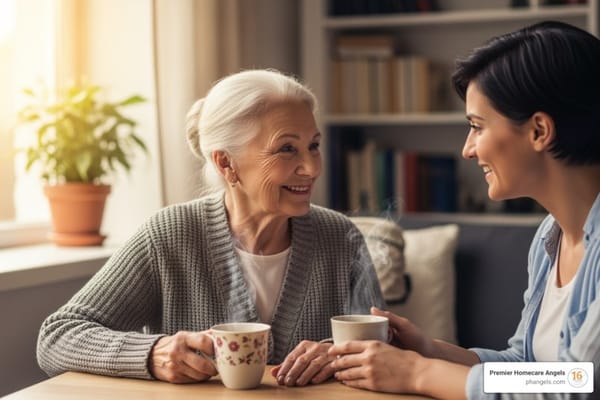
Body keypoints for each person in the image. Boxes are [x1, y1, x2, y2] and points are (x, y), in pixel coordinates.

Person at [37, 69, 385, 386]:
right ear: (225, 162)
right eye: (287, 149)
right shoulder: (169, 235)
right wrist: (153, 353)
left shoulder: (341, 237)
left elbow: (385, 347)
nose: (311, 168)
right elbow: (57, 336)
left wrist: (335, 355)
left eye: (314, 146)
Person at [328, 20, 600, 399]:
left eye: (477, 126)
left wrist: (419, 373)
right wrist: (429, 350)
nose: (468, 149)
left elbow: (578, 386)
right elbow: (530, 371)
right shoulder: (549, 239)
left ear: (539, 130)